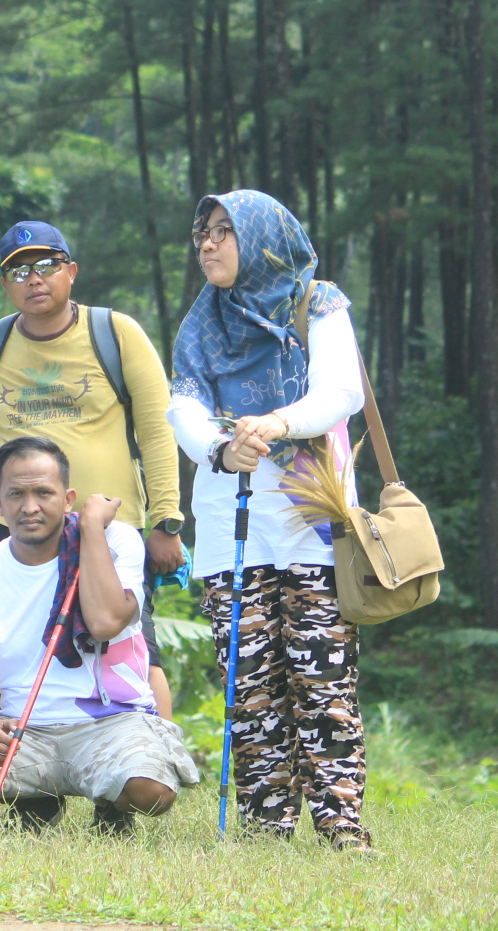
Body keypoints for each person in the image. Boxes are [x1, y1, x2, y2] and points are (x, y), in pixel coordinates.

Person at [167, 190, 373, 852]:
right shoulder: (202, 321)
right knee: (250, 681)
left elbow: (342, 390)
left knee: (321, 674)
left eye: (223, 232)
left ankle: (341, 823)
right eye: (202, 233)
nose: (207, 244)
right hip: (231, 520)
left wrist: (279, 422)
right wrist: (219, 448)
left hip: (313, 513)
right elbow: (183, 404)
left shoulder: (317, 302)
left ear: (260, 238)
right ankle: (265, 826)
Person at [0, 221, 184, 717]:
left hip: (107, 526)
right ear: (5, 285)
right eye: (18, 271)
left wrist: (167, 520)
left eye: (46, 265)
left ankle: (158, 751)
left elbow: (157, 428)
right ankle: (20, 748)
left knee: (133, 648)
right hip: (17, 524)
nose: (34, 278)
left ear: (71, 271)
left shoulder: (115, 333)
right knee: (6, 647)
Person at [0, 437, 197, 833]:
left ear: (68, 499)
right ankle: (35, 794)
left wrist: (91, 526)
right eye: (16, 494)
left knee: (151, 792)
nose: (30, 506)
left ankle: (110, 803)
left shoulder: (116, 540)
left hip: (111, 725)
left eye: (43, 493)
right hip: (21, 730)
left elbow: (106, 622)